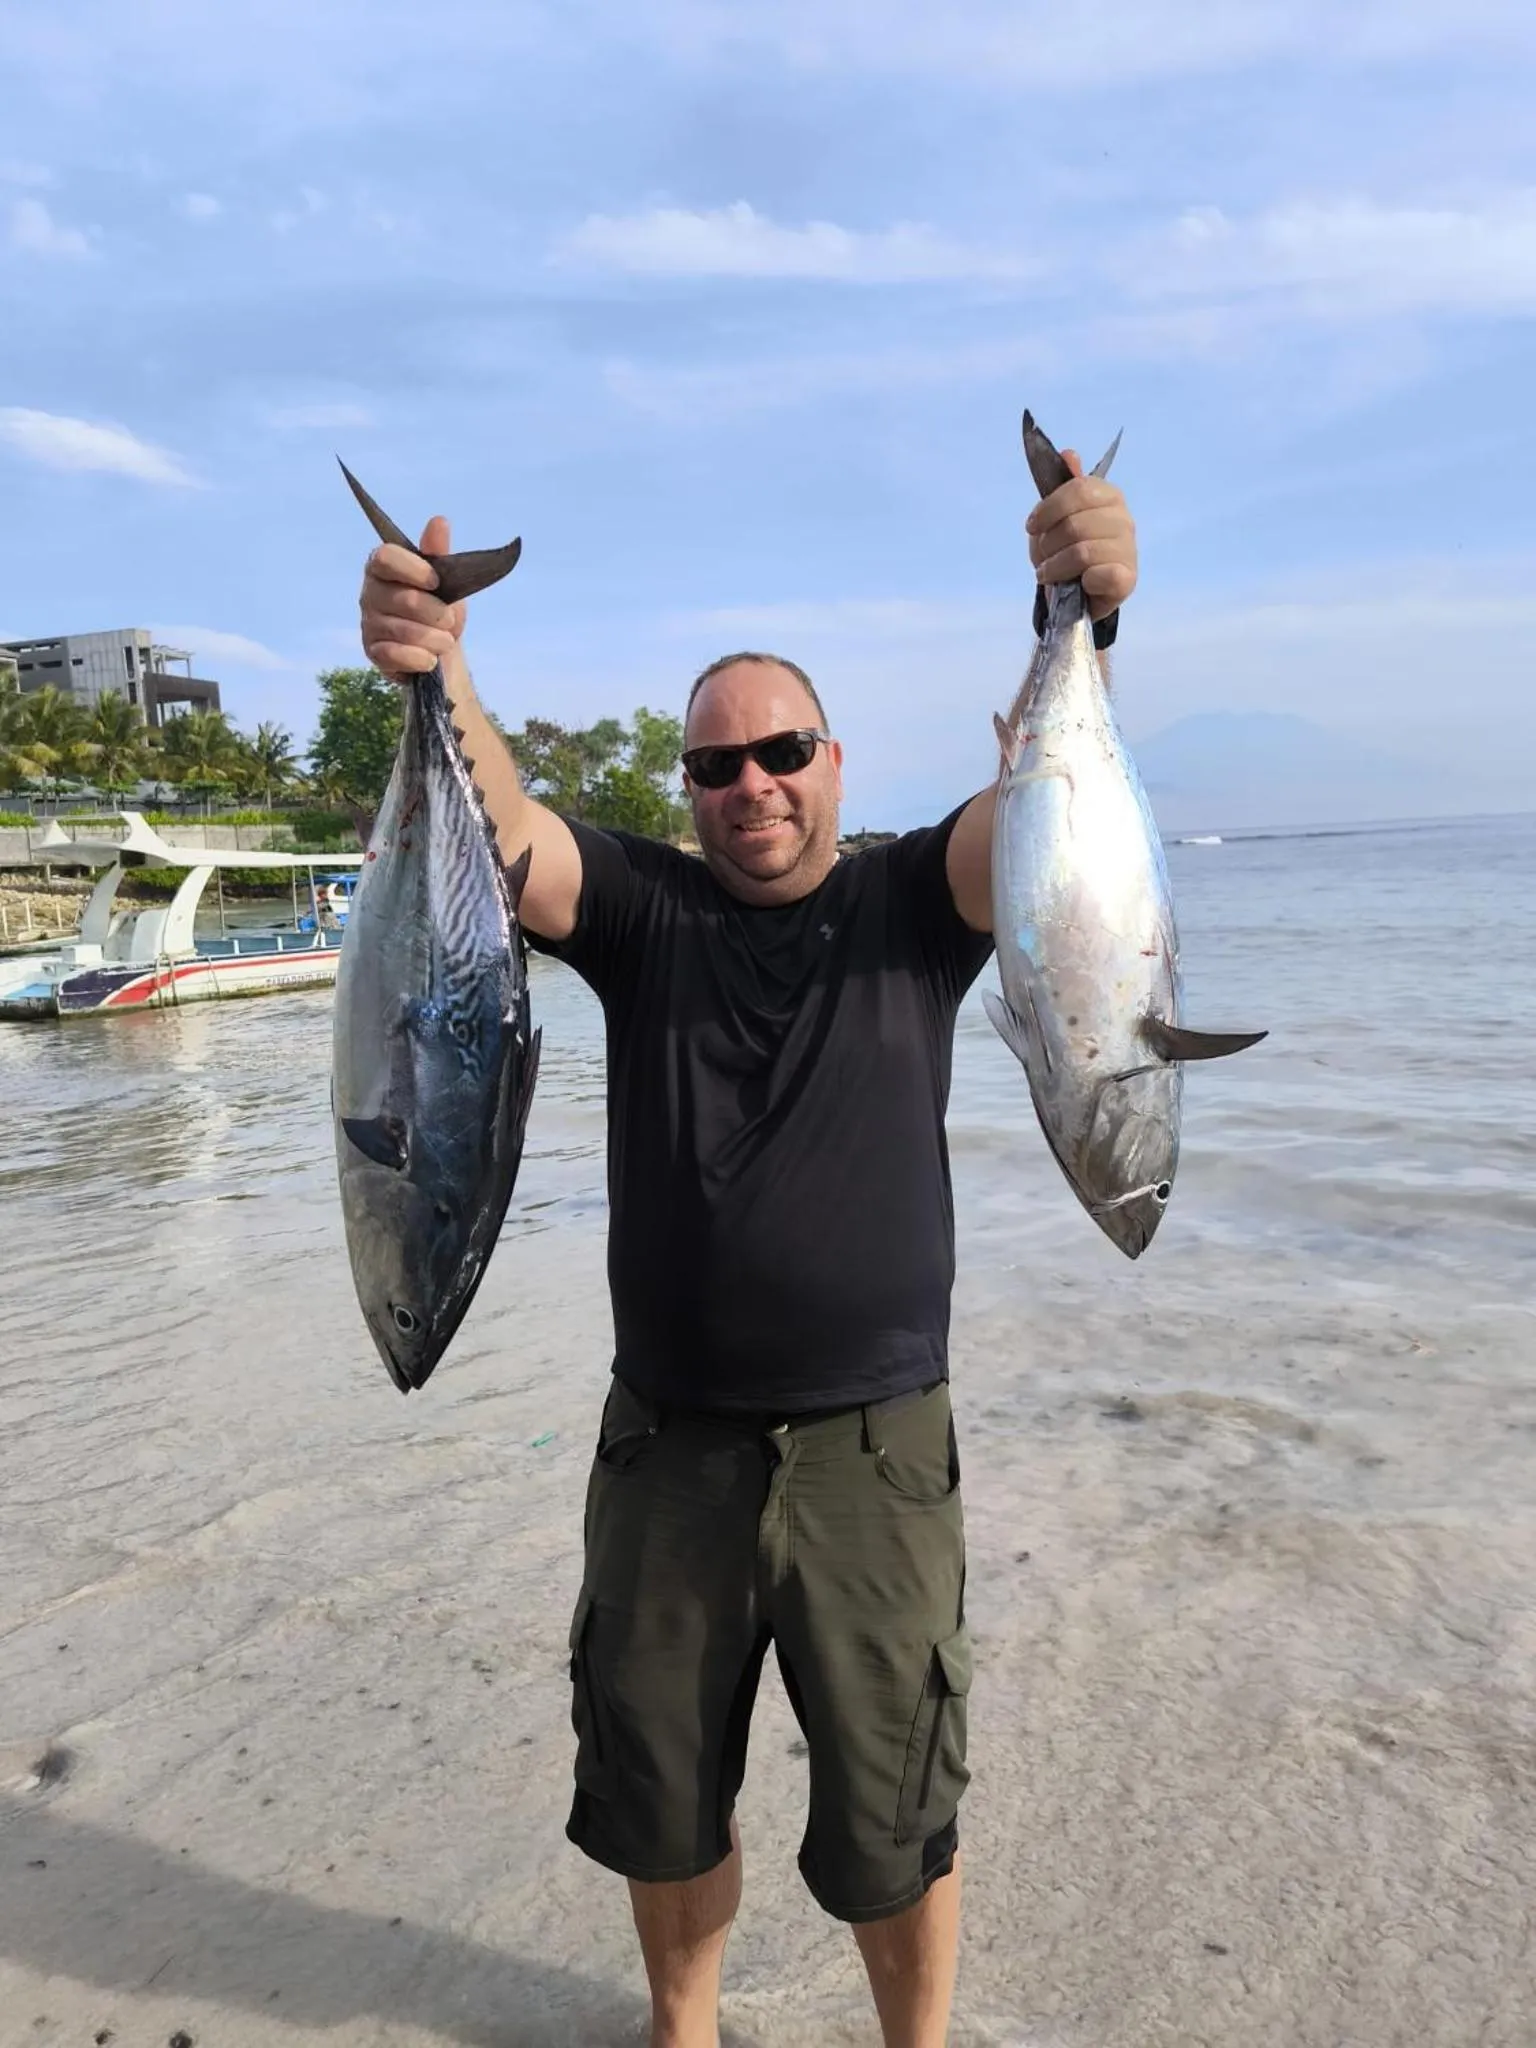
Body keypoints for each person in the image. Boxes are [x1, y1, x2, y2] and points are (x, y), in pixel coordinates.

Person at [358, 448, 1138, 2048]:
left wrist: (1080, 613)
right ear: (689, 789)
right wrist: (440, 667)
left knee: (895, 1805)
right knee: (659, 1788)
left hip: (874, 1445)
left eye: (782, 751)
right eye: (718, 766)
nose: (754, 785)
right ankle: (685, 2030)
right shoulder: (646, 915)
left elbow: (1041, 821)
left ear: (834, 763)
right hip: (672, 1452)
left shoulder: (917, 905)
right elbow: (509, 839)